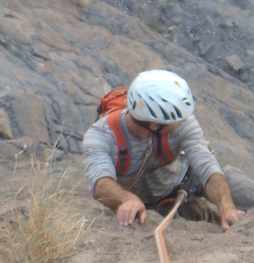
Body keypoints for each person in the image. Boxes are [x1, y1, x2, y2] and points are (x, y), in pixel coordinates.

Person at [82, 69, 244, 231]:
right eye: (178, 119)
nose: (183, 121)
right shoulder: (100, 136)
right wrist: (126, 199)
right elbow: (100, 182)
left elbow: (206, 164)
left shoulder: (182, 124)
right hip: (157, 203)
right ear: (155, 125)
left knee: (248, 191)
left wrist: (227, 207)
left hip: (190, 181)